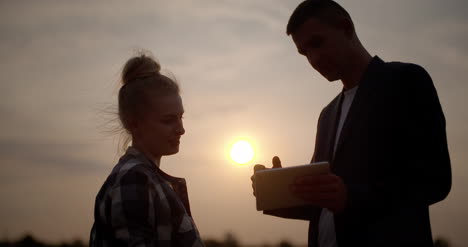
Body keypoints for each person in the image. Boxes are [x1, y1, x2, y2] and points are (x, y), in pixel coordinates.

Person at [251, 0, 451, 246]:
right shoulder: (327, 114)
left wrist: (352, 197)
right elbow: (325, 204)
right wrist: (277, 193)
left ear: (346, 28)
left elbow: (436, 179)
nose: (313, 59)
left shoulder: (406, 81)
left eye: (317, 43)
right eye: (304, 53)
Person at [90, 53, 204, 247]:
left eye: (180, 118)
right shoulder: (134, 179)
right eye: (168, 120)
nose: (181, 129)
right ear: (134, 124)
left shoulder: (147, 178)